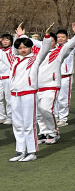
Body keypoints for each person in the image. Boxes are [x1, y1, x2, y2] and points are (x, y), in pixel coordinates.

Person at [8, 26, 53, 161]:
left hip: (28, 93)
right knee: (17, 124)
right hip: (15, 95)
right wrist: (18, 36)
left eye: (25, 47)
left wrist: (46, 36)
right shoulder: (14, 59)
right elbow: (11, 50)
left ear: (30, 48)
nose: (22, 50)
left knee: (29, 123)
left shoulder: (34, 59)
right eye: (20, 48)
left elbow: (45, 49)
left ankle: (32, 152)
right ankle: (20, 150)